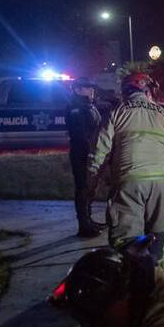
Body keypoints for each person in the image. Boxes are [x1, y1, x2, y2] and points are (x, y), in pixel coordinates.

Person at [89, 73, 164, 263]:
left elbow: (98, 152)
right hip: (161, 186)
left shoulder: (116, 113)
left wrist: (91, 183)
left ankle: (130, 282)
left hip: (129, 184)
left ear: (125, 91)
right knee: (158, 235)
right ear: (148, 91)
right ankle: (156, 276)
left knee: (126, 240)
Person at [66, 78, 103, 237]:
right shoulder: (76, 108)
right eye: (87, 87)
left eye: (92, 87)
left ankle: (89, 219)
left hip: (90, 153)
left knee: (90, 188)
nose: (91, 90)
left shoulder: (88, 105)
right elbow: (82, 135)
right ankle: (84, 225)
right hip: (82, 154)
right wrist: (90, 152)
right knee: (82, 188)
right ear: (77, 90)